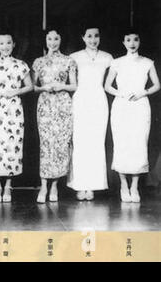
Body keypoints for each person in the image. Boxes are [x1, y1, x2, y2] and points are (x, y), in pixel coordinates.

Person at [105, 30, 160, 203]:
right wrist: (121, 94)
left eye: (135, 39)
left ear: (140, 41)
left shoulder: (147, 63)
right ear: (123, 42)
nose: (132, 43)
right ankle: (123, 184)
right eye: (128, 39)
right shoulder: (117, 63)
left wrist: (142, 92)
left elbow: (157, 84)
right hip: (122, 106)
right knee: (122, 143)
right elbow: (107, 86)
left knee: (138, 144)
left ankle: (134, 186)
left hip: (140, 106)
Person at [0, 32, 33, 203]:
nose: (5, 46)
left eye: (8, 42)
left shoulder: (21, 65)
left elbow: (30, 86)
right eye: (1, 43)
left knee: (12, 145)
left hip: (13, 111)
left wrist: (16, 91)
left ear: (14, 44)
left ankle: (8, 185)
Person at [67, 26, 113, 201]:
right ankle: (80, 185)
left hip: (99, 101)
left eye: (96, 36)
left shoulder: (107, 57)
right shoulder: (75, 57)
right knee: (80, 141)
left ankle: (93, 185)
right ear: (83, 37)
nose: (93, 39)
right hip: (81, 100)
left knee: (96, 142)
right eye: (89, 36)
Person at [32, 29, 77, 203]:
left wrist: (61, 86)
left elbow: (74, 86)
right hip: (45, 104)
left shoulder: (69, 61)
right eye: (49, 39)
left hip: (63, 104)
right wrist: (44, 88)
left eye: (56, 38)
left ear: (61, 39)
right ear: (45, 40)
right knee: (46, 143)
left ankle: (55, 185)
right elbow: (33, 86)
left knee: (60, 143)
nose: (53, 42)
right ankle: (44, 185)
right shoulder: (39, 62)